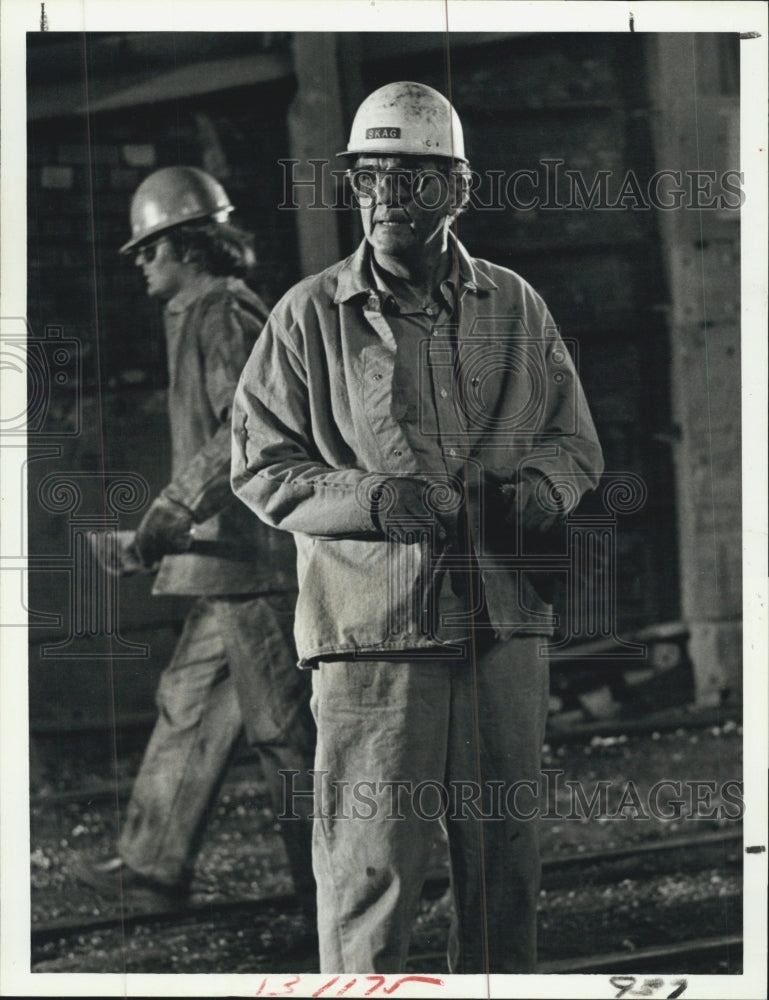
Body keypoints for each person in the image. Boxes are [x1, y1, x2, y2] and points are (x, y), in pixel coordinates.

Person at [231, 82, 604, 973]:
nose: (387, 196)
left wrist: (543, 491)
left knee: (504, 867)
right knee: (370, 871)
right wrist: (368, 501)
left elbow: (574, 441)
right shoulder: (306, 317)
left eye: (412, 178)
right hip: (372, 635)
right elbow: (258, 465)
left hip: (500, 621)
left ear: (457, 189)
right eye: (370, 177)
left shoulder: (514, 306)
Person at [75, 166, 315, 910]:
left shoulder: (223, 315)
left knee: (282, 732)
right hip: (222, 568)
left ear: (190, 248)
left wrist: (165, 519)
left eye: (151, 249)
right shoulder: (194, 313)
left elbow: (246, 436)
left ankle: (333, 893)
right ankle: (154, 865)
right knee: (186, 703)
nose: (142, 263)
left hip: (253, 564)